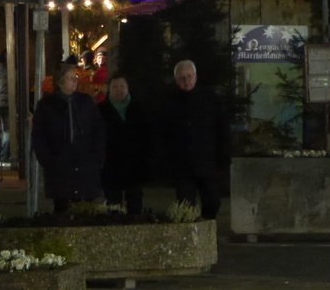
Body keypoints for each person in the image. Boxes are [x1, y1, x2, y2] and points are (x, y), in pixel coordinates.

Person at [31, 61, 104, 215]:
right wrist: (47, 160)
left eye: (75, 77)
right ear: (60, 81)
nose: (75, 81)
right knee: (62, 210)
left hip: (85, 165)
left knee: (86, 210)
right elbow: (39, 135)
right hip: (60, 166)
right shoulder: (46, 105)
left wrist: (97, 156)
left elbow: (97, 130)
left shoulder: (86, 102)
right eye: (71, 78)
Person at [161, 59, 226, 221]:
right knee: (185, 206)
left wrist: (223, 156)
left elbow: (222, 129)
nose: (186, 81)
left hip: (207, 161)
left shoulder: (210, 99)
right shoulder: (169, 102)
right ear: (176, 80)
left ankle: (207, 227)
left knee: (213, 201)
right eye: (182, 78)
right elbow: (164, 133)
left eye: (189, 76)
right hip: (182, 164)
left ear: (195, 77)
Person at [98, 76, 150, 216]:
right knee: (113, 206)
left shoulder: (138, 108)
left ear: (127, 88)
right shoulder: (101, 110)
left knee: (135, 204)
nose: (119, 89)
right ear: (109, 89)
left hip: (134, 165)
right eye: (115, 86)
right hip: (111, 165)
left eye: (122, 86)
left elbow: (146, 135)